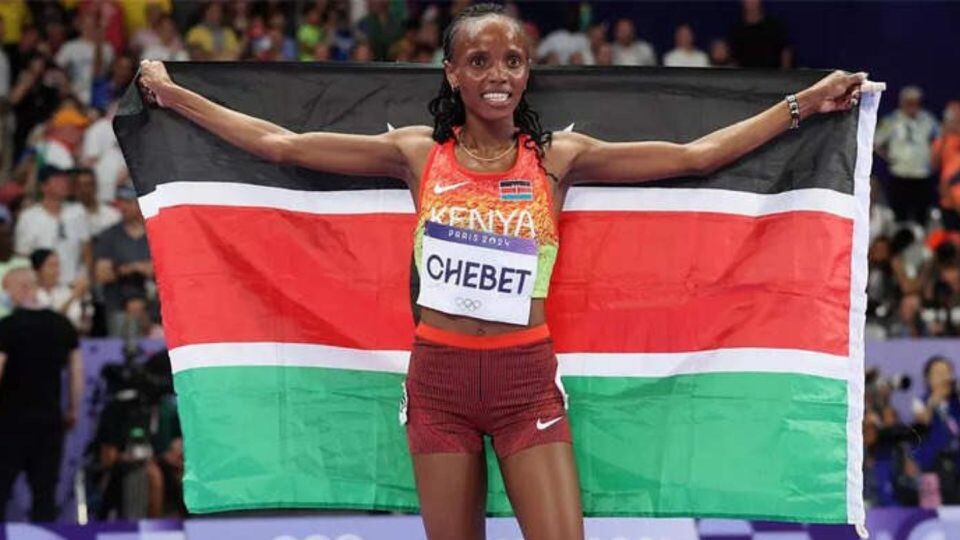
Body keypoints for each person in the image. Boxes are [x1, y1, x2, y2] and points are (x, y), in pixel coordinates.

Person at [138, 3, 866, 537]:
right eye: (480, 61)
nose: (498, 75)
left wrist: (802, 105)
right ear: (452, 73)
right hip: (439, 385)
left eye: (512, 60)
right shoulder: (418, 154)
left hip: (525, 385)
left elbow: (694, 157)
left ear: (527, 72)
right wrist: (173, 96)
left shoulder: (557, 159)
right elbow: (283, 145)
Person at [0, 267, 83, 522]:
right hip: (49, 421)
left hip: (10, 421)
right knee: (44, 492)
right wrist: (73, 409)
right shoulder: (62, 325)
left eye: (7, 289)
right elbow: (76, 373)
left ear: (21, 287)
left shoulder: (7, 327)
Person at [14, 165, 92, 286]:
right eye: (57, 181)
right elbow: (22, 256)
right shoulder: (28, 217)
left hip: (75, 285)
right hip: (42, 287)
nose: (64, 184)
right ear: (44, 187)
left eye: (65, 180)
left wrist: (85, 279)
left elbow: (86, 250)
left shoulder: (78, 212)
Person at [874, 86, 940, 225]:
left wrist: (934, 159)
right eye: (909, 102)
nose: (912, 106)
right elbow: (876, 142)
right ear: (902, 102)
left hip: (922, 175)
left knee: (922, 216)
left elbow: (940, 140)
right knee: (899, 215)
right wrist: (889, 157)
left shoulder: (928, 119)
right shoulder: (891, 120)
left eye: (915, 102)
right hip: (900, 174)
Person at [93, 185, 152, 337]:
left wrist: (140, 268)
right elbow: (102, 274)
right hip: (118, 305)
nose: (123, 207)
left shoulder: (154, 233)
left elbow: (165, 269)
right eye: (121, 202)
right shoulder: (109, 236)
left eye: (129, 202)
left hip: (152, 306)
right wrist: (133, 268)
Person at [912, 356, 960, 504]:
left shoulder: (956, 400)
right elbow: (923, 421)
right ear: (928, 379)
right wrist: (933, 402)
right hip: (934, 465)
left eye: (946, 372)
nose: (943, 378)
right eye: (938, 373)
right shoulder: (921, 401)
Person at [31, 248, 89, 331]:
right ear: (38, 269)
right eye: (51, 266)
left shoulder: (67, 291)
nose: (56, 270)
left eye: (57, 265)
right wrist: (72, 298)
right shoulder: (31, 294)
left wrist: (83, 300)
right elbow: (49, 322)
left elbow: (85, 324)